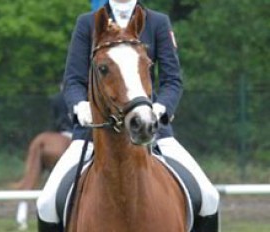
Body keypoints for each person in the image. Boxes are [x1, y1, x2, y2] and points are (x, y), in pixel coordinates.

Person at [36, 1, 220, 231]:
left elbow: (172, 80)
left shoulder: (157, 22)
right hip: (93, 133)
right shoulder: (87, 23)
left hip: (151, 129)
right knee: (46, 203)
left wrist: (160, 108)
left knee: (209, 197)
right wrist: (79, 105)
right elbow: (74, 80)